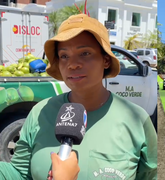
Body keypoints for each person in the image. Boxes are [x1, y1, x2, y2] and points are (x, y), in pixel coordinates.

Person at [0, 13, 157, 180]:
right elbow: (20, 173)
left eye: (85, 53)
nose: (72, 64)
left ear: (106, 61)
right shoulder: (40, 113)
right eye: (64, 56)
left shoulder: (138, 121)